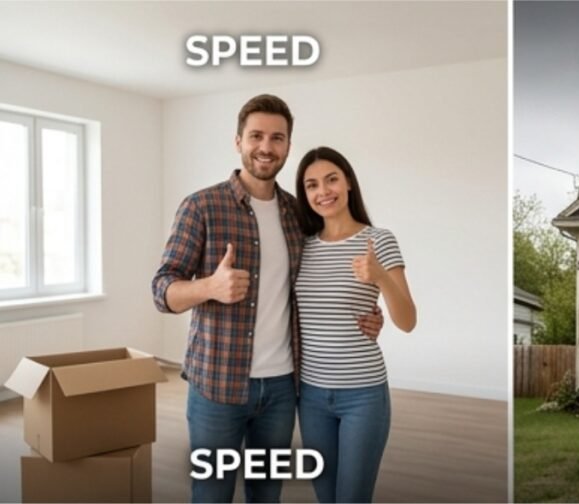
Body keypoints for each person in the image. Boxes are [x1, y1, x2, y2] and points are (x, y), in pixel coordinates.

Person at [151, 95, 383, 503]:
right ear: (238, 141)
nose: (266, 146)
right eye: (256, 135)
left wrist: (367, 310)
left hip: (281, 387)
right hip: (216, 387)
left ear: (288, 147)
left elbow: (322, 277)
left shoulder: (299, 215)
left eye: (277, 138)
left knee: (266, 494)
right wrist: (208, 287)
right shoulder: (201, 206)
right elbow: (161, 290)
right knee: (212, 493)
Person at [293, 146, 417, 503]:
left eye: (331, 179)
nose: (323, 191)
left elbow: (407, 320)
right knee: (326, 497)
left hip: (363, 394)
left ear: (348, 182)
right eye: (312, 185)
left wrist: (379, 277)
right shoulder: (301, 246)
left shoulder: (378, 241)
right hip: (311, 395)